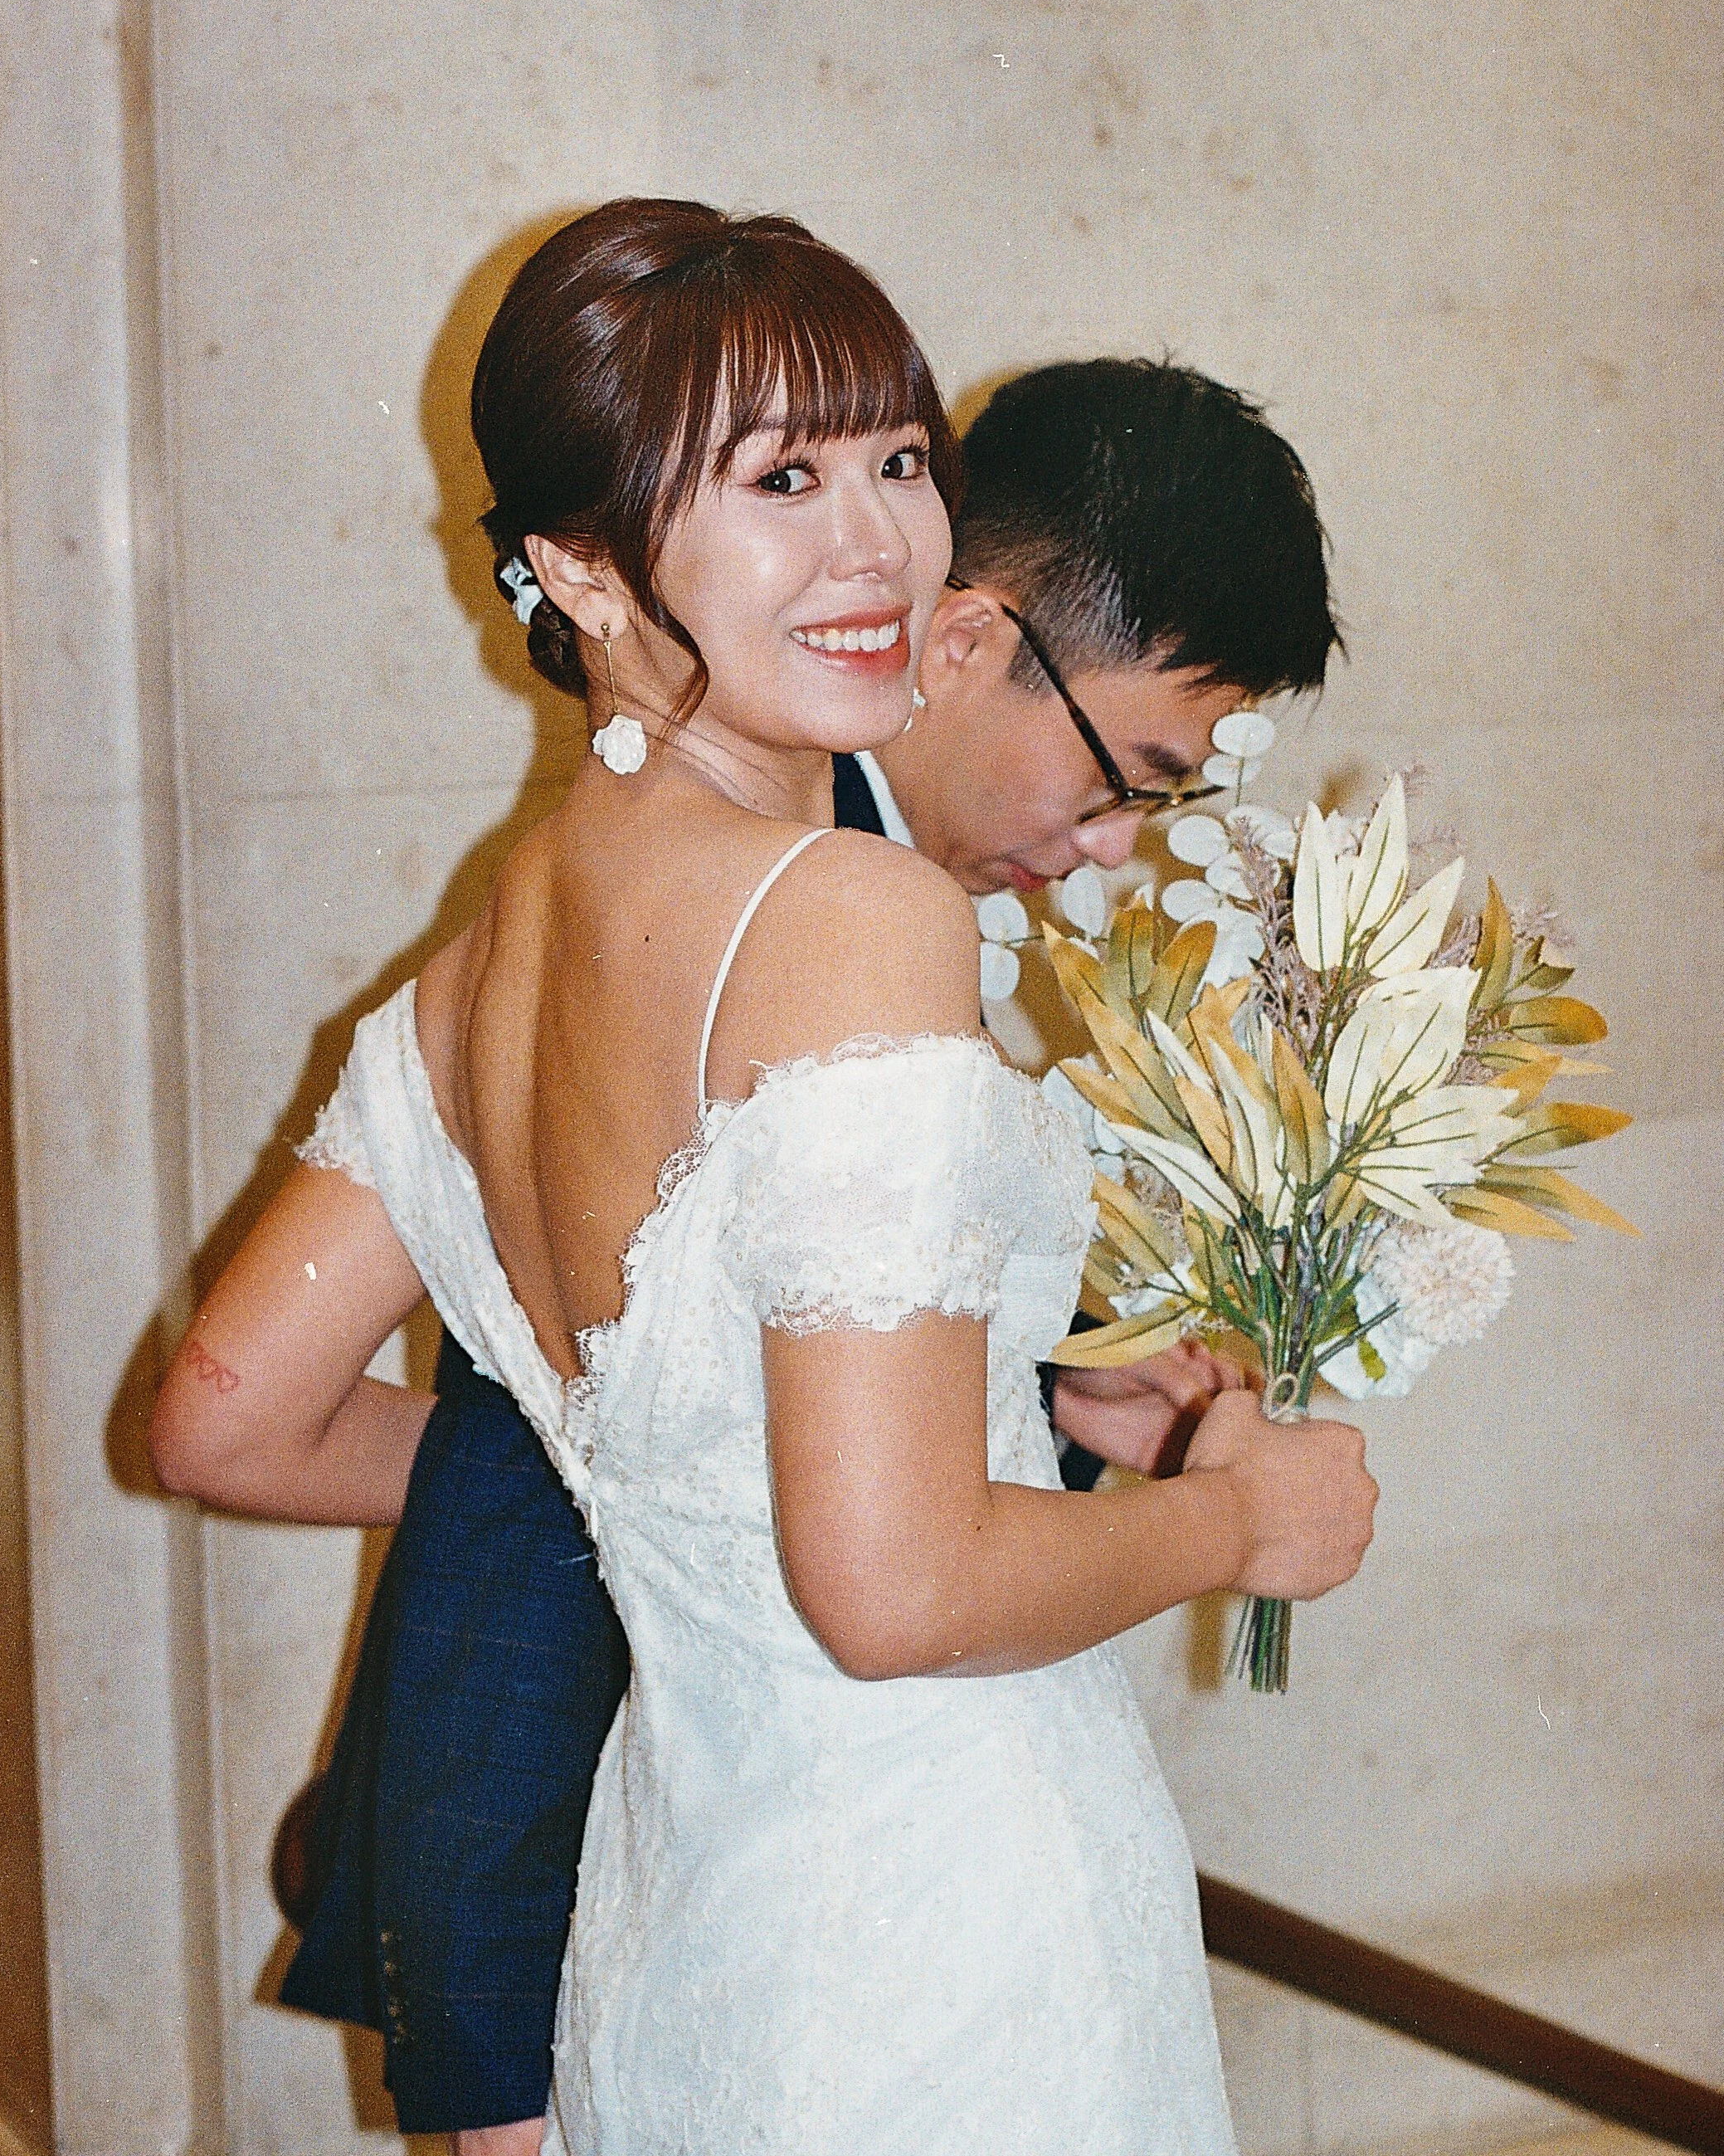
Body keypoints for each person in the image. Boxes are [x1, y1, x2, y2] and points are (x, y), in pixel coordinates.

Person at [152, 202, 1373, 2156]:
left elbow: (229, 1412)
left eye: (899, 460)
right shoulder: (849, 916)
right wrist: (1245, 1517)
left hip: (687, 1938)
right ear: (576, 562)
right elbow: (893, 1589)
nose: (877, 539)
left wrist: (792, 1460)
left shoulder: (473, 973)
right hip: (938, 1940)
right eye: (782, 479)